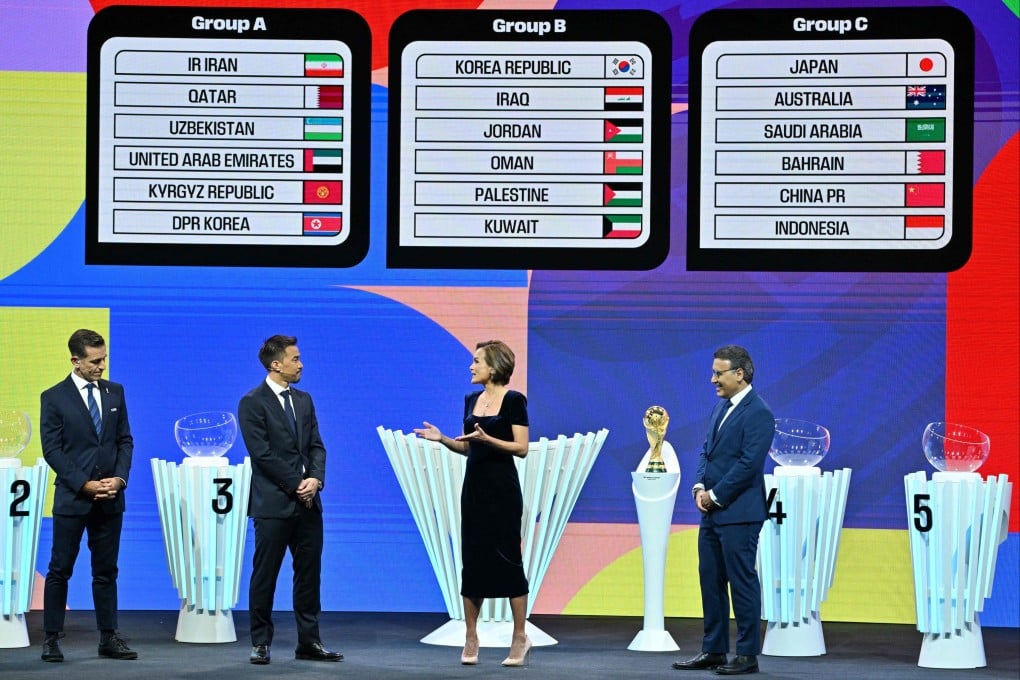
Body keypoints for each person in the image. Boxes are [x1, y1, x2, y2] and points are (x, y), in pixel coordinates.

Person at [414, 340, 532, 667]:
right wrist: (445, 440)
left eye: (476, 361)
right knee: (473, 559)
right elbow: (470, 447)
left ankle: (520, 637)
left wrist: (488, 439)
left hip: (503, 490)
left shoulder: (513, 401)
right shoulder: (470, 400)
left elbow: (521, 448)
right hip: (475, 490)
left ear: (493, 367)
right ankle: (470, 635)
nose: (471, 366)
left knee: (508, 558)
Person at [238, 335, 342, 665]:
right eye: (295, 359)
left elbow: (316, 445)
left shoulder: (305, 400)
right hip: (273, 505)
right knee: (265, 574)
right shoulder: (252, 402)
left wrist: (316, 479)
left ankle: (309, 642)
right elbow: (262, 454)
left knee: (309, 575)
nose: (301, 364)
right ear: (276, 364)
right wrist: (298, 483)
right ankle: (260, 642)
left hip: (309, 504)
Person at [673, 345, 774, 676]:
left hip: (740, 513)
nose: (712, 378)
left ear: (739, 374)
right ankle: (714, 649)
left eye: (719, 373)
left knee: (741, 581)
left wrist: (715, 495)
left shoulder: (758, 412)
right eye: (714, 372)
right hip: (712, 512)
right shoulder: (721, 408)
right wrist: (699, 488)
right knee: (710, 580)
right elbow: (708, 451)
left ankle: (746, 655)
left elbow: (749, 464)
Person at [39, 329, 137, 662]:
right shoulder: (53, 397)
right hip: (72, 499)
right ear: (75, 361)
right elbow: (52, 450)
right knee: (60, 570)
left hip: (111, 499)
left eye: (104, 358)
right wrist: (84, 484)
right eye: (95, 361)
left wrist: (120, 479)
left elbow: (125, 440)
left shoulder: (115, 392)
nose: (102, 366)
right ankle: (51, 639)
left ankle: (109, 637)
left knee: (106, 570)